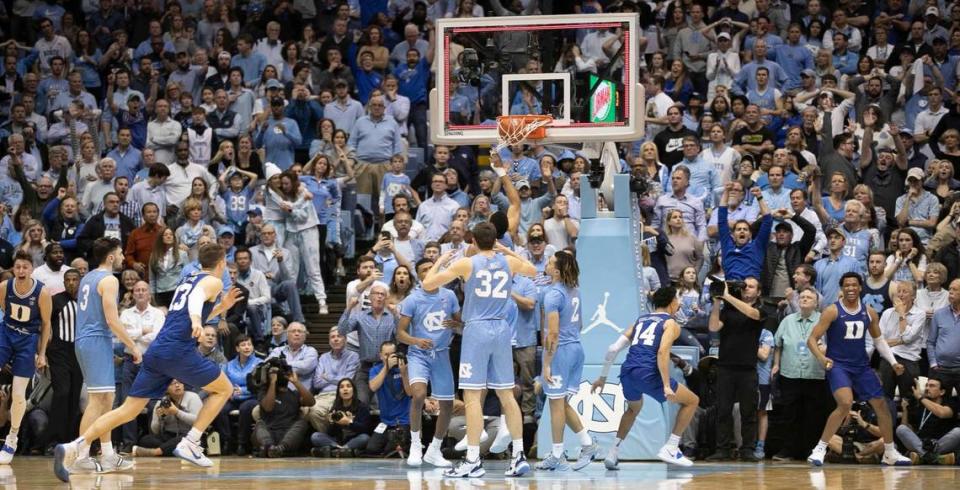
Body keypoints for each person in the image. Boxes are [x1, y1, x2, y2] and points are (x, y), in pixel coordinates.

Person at [54, 243, 243, 481]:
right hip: (178, 351)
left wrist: (220, 309)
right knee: (224, 389)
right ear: (222, 262)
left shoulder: (189, 278)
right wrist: (197, 321)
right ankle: (191, 442)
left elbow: (185, 309)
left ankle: (75, 446)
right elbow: (195, 303)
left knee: (128, 410)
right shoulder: (213, 281)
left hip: (157, 351)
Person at [421, 222, 537, 478]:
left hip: (477, 330)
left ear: (472, 240)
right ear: (495, 240)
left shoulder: (467, 263)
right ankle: (518, 455)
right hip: (502, 329)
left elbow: (429, 284)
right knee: (507, 395)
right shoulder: (509, 263)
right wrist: (507, 251)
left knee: (472, 397)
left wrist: (440, 260)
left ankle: (473, 459)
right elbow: (531, 269)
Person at [805, 272, 911, 466]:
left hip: (861, 366)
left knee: (882, 406)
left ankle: (889, 452)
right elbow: (811, 339)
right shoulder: (832, 311)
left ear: (860, 287)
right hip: (839, 366)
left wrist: (893, 361)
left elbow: (879, 341)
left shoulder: (869, 312)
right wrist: (822, 358)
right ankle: (819, 449)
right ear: (842, 289)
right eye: (847, 285)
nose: (851, 288)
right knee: (845, 403)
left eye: (854, 285)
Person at [591, 286, 699, 469]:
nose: (679, 303)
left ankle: (613, 452)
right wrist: (666, 384)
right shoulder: (671, 324)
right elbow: (663, 351)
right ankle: (671, 447)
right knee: (692, 401)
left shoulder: (640, 320)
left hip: (628, 372)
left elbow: (613, 349)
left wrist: (602, 377)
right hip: (648, 373)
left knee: (633, 409)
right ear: (672, 302)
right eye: (678, 299)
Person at [71, 238, 141, 472]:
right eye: (120, 253)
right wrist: (132, 345)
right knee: (98, 401)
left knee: (106, 400)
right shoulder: (109, 280)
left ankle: (108, 453)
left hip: (86, 340)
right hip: (95, 340)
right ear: (111, 257)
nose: (123, 257)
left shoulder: (88, 277)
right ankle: (80, 456)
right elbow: (112, 320)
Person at [536, 252, 598, 471]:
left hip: (560, 352)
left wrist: (546, 364)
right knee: (562, 403)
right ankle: (588, 444)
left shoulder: (552, 294)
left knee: (555, 405)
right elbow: (579, 324)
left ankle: (557, 454)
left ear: (557, 270)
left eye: (550, 262)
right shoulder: (575, 291)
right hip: (576, 349)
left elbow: (552, 334)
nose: (546, 263)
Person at [396, 259, 460, 468]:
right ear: (419, 275)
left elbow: (461, 324)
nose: (429, 272)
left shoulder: (449, 296)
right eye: (424, 270)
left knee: (447, 404)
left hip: (442, 354)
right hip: (418, 354)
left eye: (432, 268)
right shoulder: (412, 300)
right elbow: (400, 334)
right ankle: (415, 445)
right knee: (419, 394)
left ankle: (434, 450)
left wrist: (456, 324)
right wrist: (416, 341)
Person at [0, 251, 52, 464]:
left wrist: (41, 353)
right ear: (13, 268)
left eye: (25, 267)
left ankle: (12, 439)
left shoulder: (42, 292)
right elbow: (4, 309)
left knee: (20, 394)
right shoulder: (4, 287)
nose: (21, 271)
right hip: (6, 332)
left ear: (32, 269)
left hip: (28, 340)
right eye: (18, 267)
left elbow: (46, 324)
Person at [132, 380, 203, 457]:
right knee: (145, 440)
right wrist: (159, 418)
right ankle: (174, 450)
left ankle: (156, 452)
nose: (177, 385)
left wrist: (177, 412)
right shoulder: (162, 402)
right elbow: (155, 431)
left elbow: (199, 421)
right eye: (172, 384)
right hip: (169, 436)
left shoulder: (192, 397)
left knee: (184, 440)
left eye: (179, 382)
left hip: (190, 434)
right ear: (166, 389)